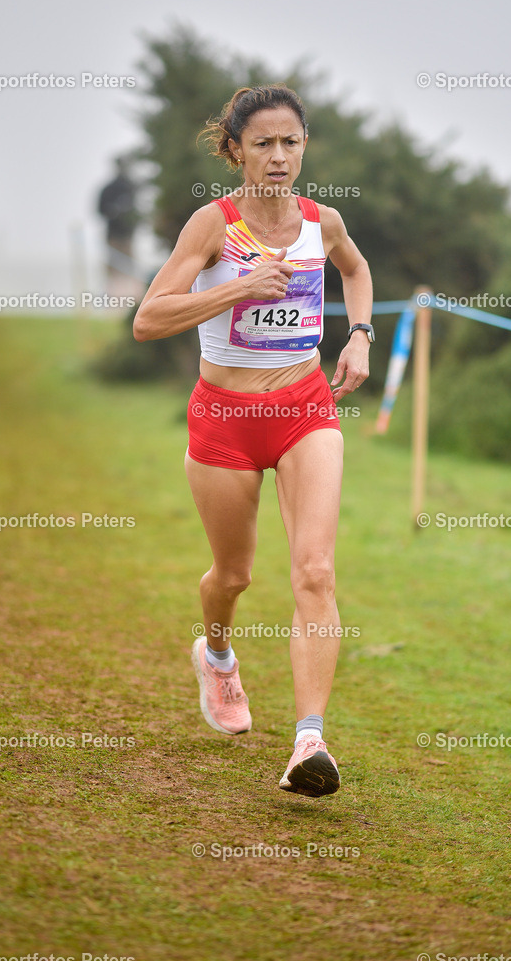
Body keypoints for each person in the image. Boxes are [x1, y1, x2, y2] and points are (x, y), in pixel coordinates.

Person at [133, 85, 374, 798]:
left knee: (314, 573)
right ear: (235, 149)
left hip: (305, 409)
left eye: (290, 143)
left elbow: (355, 270)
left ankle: (308, 741)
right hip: (223, 418)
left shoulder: (321, 221)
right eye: (262, 143)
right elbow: (148, 320)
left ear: (304, 149)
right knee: (232, 576)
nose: (277, 156)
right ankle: (215, 654)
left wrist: (359, 335)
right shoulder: (213, 225)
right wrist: (235, 290)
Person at [97, 156, 140, 300]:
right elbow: (100, 210)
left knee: (128, 269)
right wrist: (114, 212)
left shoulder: (131, 187)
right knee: (113, 270)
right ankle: (113, 299)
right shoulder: (109, 189)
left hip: (127, 236)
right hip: (113, 236)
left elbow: (138, 210)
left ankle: (130, 300)